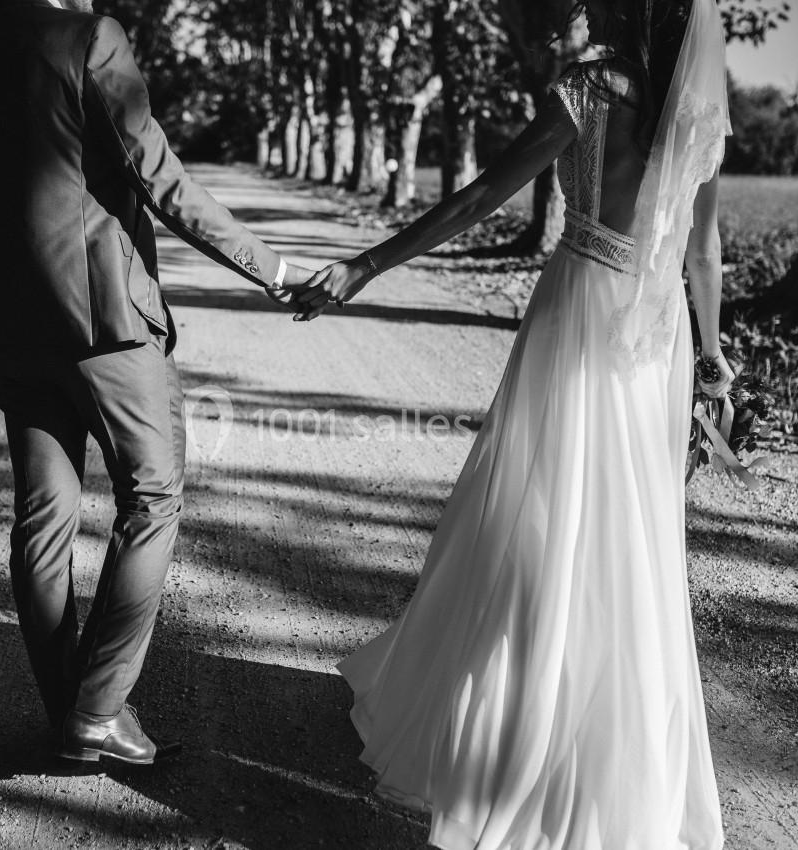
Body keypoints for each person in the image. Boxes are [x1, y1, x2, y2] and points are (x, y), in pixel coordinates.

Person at [295, 0, 733, 846]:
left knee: (537, 521)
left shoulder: (588, 90)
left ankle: (508, 744)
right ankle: (609, 764)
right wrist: (713, 360)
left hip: (577, 313)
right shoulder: (700, 113)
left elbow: (478, 200)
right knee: (624, 539)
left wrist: (367, 264)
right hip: (655, 337)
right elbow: (702, 251)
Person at [0, 0, 310, 766]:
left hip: (14, 315)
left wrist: (17, 273)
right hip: (109, 321)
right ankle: (98, 710)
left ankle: (67, 709)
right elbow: (158, 175)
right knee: (153, 494)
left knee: (42, 516)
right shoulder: (91, 38)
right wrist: (272, 269)